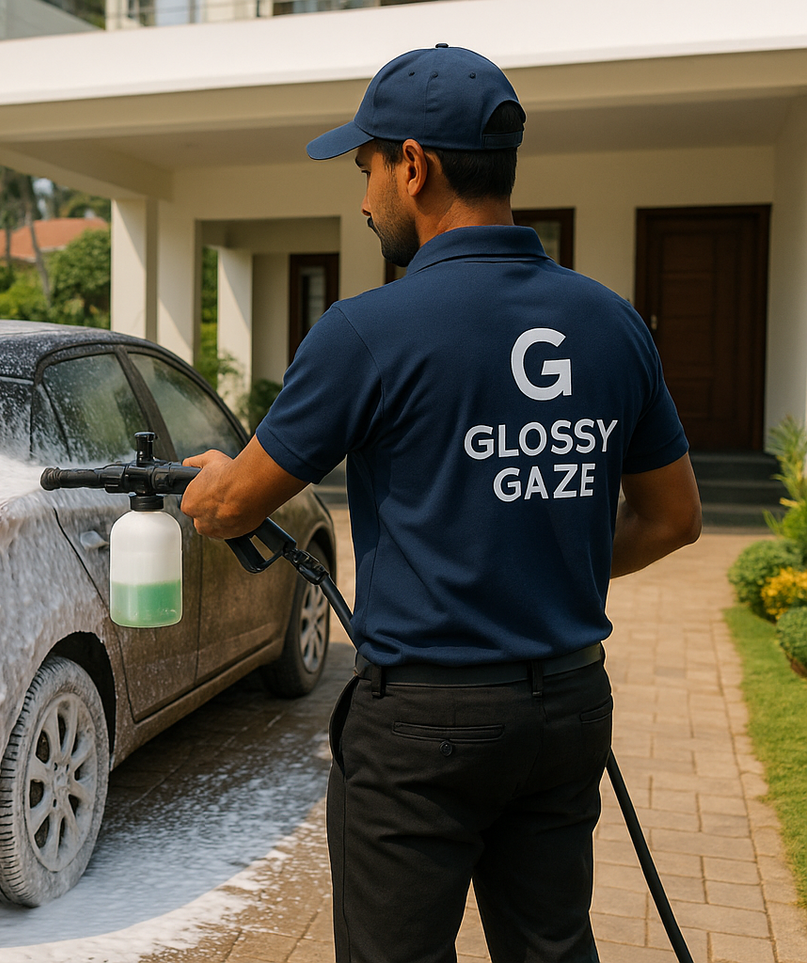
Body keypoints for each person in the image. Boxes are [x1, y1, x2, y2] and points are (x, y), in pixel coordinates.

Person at [180, 44, 702, 963]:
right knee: (551, 948)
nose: (364, 194)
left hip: (424, 729)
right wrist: (548, 550)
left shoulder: (366, 331)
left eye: (366, 165)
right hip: (568, 709)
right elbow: (672, 518)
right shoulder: (610, 321)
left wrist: (208, 478)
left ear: (411, 165)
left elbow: (231, 506)